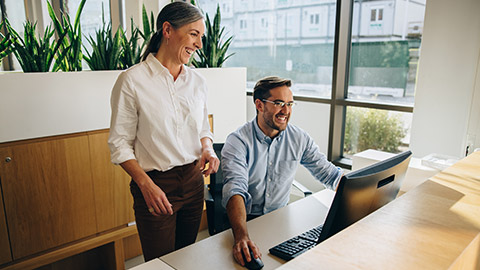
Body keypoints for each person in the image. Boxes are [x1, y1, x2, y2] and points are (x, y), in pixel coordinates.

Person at [108, 2, 219, 261]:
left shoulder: (198, 82)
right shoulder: (132, 81)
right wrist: (145, 184)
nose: (199, 45)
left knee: (186, 257)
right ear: (167, 30)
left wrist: (207, 148)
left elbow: (203, 127)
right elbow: (119, 143)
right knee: (160, 263)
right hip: (156, 184)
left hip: (193, 182)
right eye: (194, 34)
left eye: (201, 37)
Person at [221, 76, 343, 267]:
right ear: (259, 105)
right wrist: (242, 237)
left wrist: (359, 194)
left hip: (281, 220)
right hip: (247, 222)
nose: (286, 111)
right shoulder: (238, 142)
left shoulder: (298, 138)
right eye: (279, 103)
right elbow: (235, 188)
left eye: (290, 104)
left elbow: (330, 174)